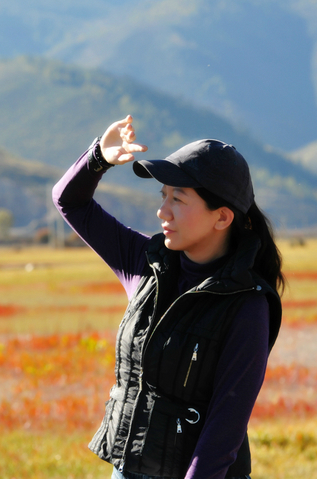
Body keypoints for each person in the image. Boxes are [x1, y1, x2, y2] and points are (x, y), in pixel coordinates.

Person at [52, 115, 283, 479]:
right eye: (163, 196)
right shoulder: (144, 263)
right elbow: (70, 201)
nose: (163, 211)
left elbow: (225, 427)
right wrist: (98, 157)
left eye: (178, 199)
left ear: (221, 217)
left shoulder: (248, 305)